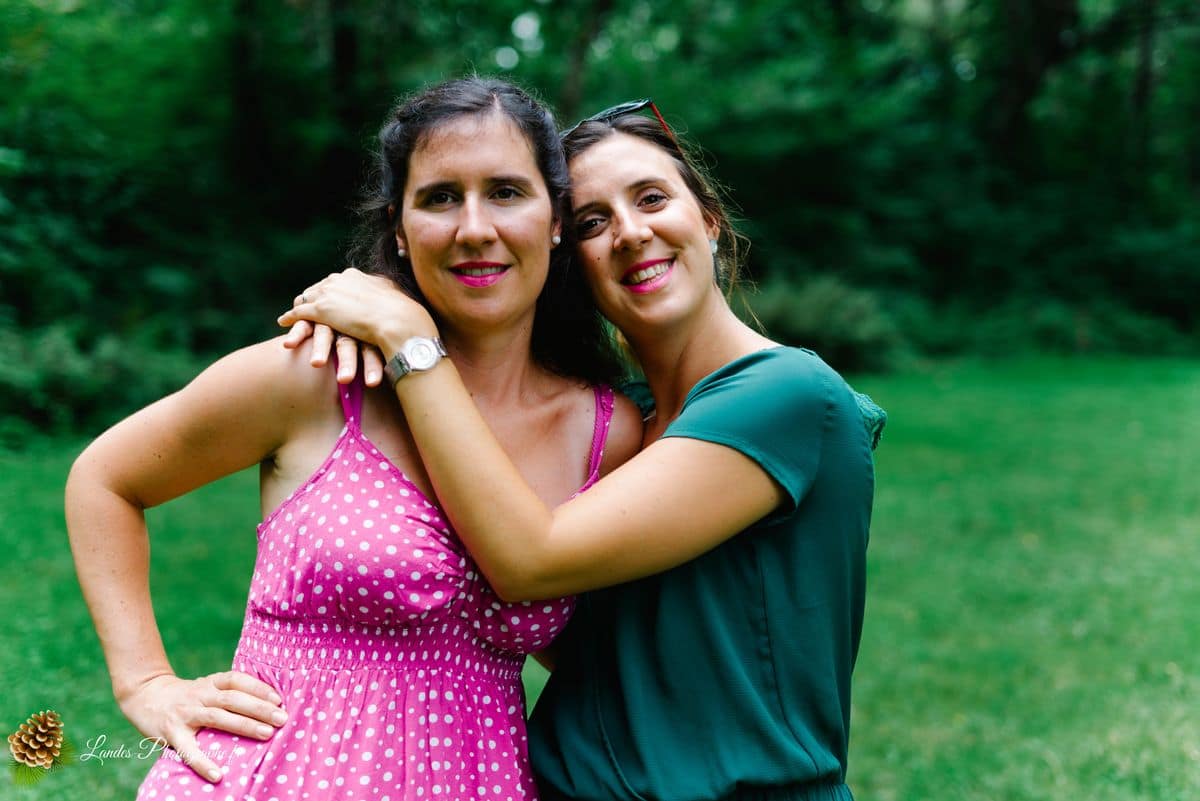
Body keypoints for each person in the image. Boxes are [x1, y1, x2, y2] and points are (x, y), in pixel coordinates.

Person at [280, 100, 885, 801]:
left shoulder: (786, 395)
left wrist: (412, 343)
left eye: (653, 198)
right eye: (595, 221)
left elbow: (529, 561)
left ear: (710, 219)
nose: (631, 233)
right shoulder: (616, 424)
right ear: (568, 250)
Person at [64, 77, 642, 800]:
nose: (473, 227)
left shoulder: (605, 431)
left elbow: (597, 653)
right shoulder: (317, 374)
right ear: (399, 229)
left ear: (556, 218)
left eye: (505, 191)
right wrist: (145, 679)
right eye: (438, 197)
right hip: (272, 778)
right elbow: (105, 478)